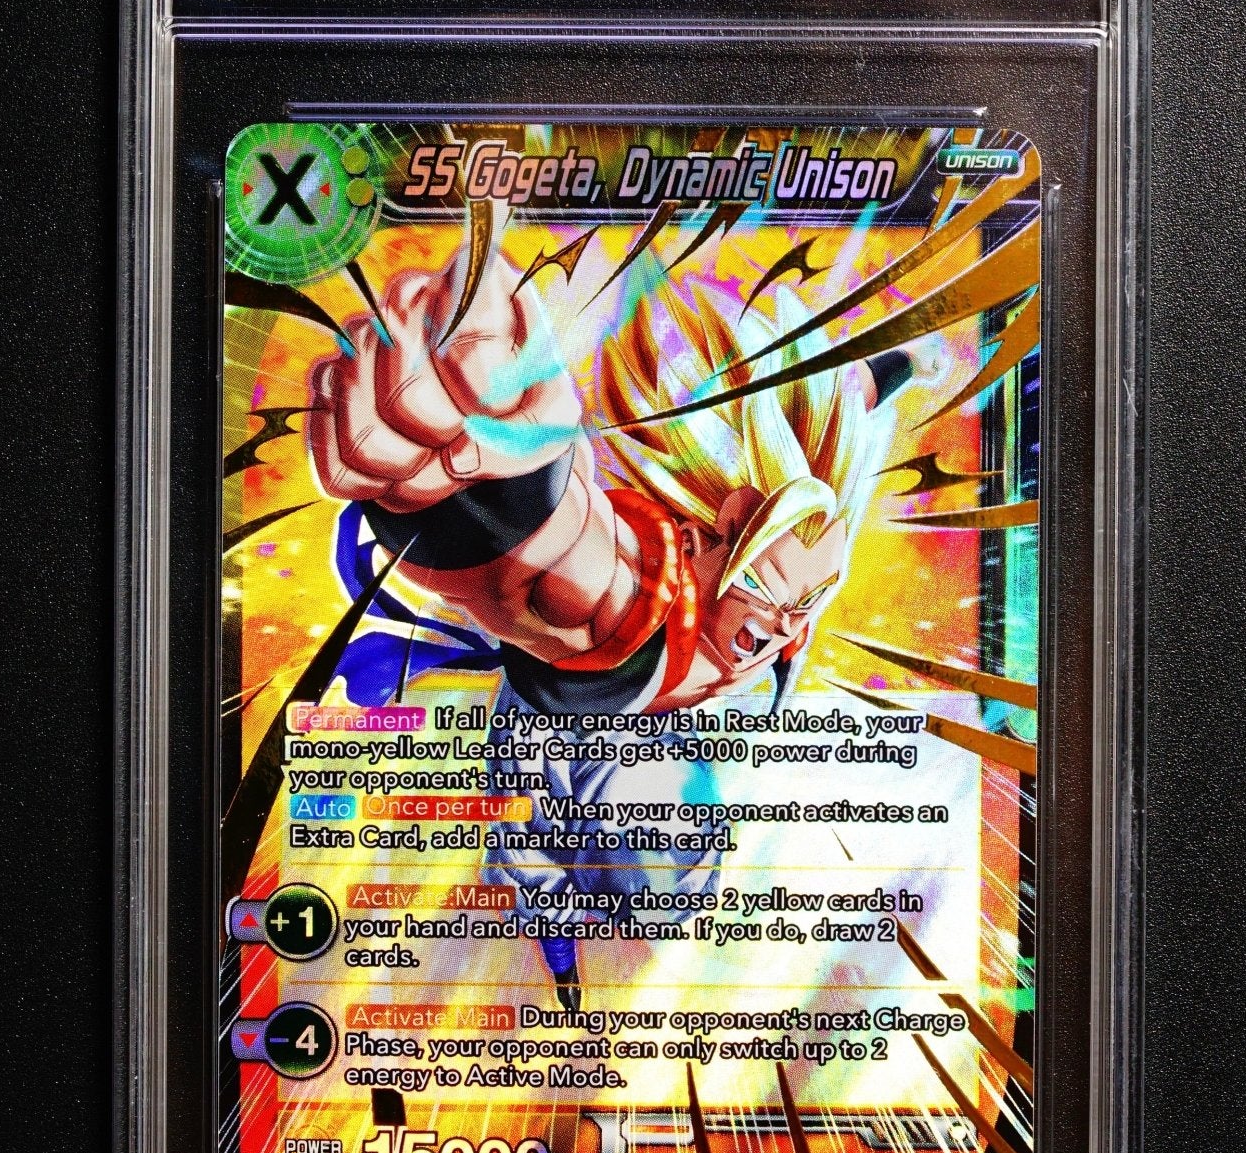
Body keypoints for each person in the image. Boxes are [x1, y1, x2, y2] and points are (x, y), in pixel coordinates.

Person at [310, 244, 911, 1005]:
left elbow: (846, 403)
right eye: (682, 835)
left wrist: (882, 373)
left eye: (806, 599)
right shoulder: (648, 617)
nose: (782, 625)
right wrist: (498, 471)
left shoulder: (723, 628)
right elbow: (567, 571)